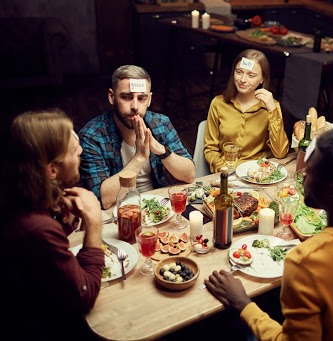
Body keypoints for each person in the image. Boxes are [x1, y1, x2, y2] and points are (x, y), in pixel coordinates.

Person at [205, 127, 333, 340]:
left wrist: (243, 303)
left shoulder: (306, 260)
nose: (303, 174)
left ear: (332, 191)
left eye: (311, 170)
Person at [1, 109, 104, 340]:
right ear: (52, 170)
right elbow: (84, 296)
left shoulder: (21, 197)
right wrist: (94, 221)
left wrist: (66, 219)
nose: (80, 150)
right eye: (72, 148)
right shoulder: (38, 229)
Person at [79, 65, 195, 209]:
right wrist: (139, 157)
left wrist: (161, 150)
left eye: (141, 98)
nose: (135, 106)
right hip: (119, 213)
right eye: (126, 97)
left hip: (160, 208)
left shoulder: (161, 124)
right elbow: (102, 199)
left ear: (150, 100)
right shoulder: (92, 135)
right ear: (111, 96)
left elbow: (190, 174)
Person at [204, 49, 289, 173]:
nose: (243, 79)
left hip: (257, 173)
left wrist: (272, 110)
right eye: (239, 72)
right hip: (226, 172)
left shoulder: (271, 106)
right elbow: (210, 148)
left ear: (262, 79)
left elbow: (280, 153)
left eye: (251, 75)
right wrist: (223, 169)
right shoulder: (218, 103)